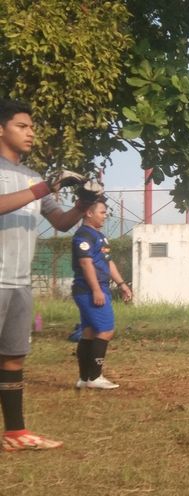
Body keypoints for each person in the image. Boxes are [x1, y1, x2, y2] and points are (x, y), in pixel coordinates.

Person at [0, 98, 98, 451]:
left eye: (32, 127)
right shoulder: (34, 183)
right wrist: (46, 187)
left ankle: (15, 433)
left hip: (19, 282)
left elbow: (59, 221)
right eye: (22, 126)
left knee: (13, 356)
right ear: (1, 128)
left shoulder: (33, 178)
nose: (31, 133)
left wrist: (81, 204)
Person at [72, 199, 132, 389]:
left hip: (101, 287)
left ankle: (84, 379)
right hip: (90, 290)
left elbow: (108, 262)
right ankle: (95, 377)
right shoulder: (83, 235)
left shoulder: (101, 237)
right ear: (89, 213)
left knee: (89, 332)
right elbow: (85, 263)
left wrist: (122, 284)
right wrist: (96, 290)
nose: (105, 215)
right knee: (106, 330)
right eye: (102, 212)